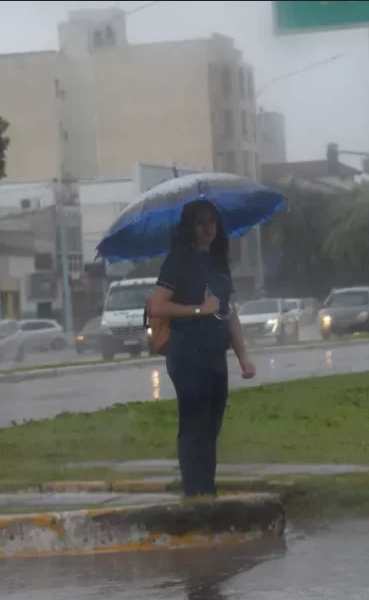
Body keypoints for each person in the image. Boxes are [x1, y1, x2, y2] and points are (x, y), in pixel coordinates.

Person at [147, 199, 256, 498]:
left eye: (211, 221)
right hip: (187, 353)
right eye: (200, 221)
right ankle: (195, 493)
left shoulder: (218, 263)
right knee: (194, 426)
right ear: (189, 227)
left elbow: (229, 311)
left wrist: (244, 357)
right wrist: (199, 309)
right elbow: (158, 305)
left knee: (211, 427)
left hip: (214, 354)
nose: (207, 227)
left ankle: (207, 490)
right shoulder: (179, 260)